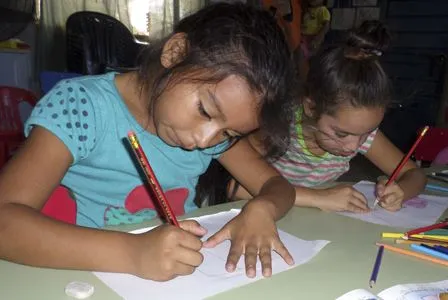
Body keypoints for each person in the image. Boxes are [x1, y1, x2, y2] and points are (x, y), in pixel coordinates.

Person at [0, 3, 297, 282]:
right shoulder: (82, 107)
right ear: (175, 52)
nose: (204, 140)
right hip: (76, 277)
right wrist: (132, 254)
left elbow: (278, 187)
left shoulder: (209, 134)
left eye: (228, 134)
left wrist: (262, 209)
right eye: (205, 111)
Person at [224, 21, 426, 213]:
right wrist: (319, 198)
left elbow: (415, 174)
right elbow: (236, 189)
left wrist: (401, 191)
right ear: (311, 108)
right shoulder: (280, 126)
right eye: (340, 134)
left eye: (366, 134)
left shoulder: (357, 131)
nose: (353, 147)